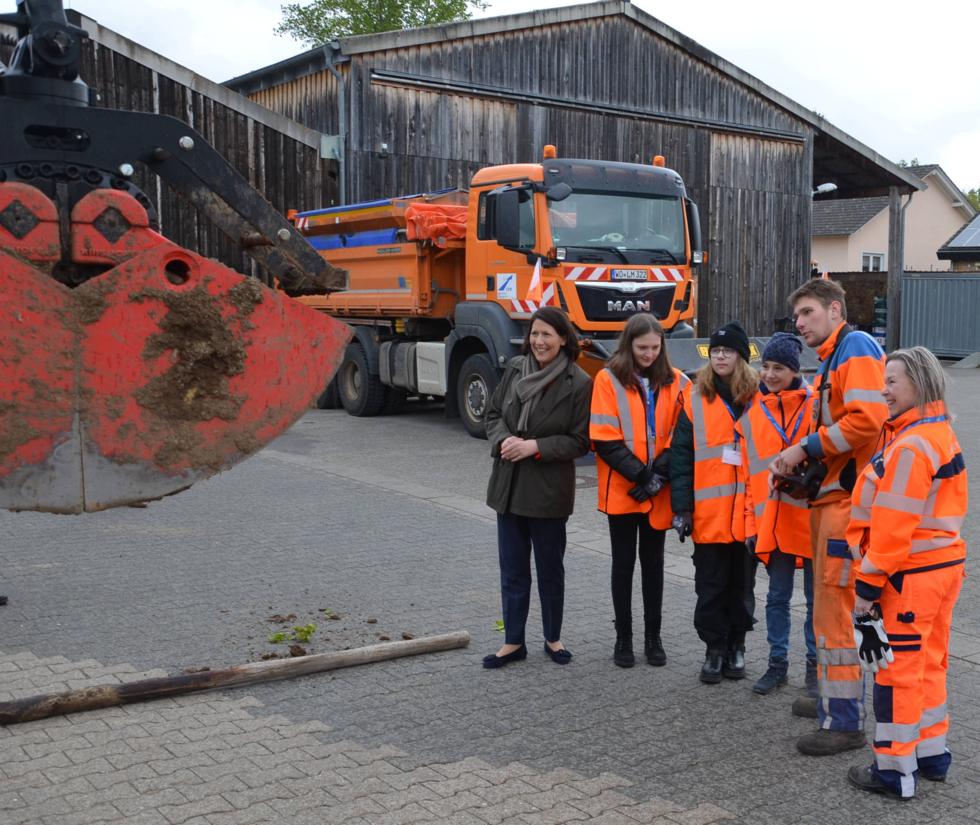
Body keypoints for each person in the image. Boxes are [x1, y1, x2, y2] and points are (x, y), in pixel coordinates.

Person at [770, 279, 887, 756]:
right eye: (796, 316)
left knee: (836, 611)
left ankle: (842, 721)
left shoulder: (853, 346)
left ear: (834, 309)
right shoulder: (833, 358)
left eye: (807, 313)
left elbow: (867, 420)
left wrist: (804, 447)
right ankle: (830, 696)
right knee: (827, 607)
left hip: (846, 507)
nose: (799, 324)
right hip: (834, 502)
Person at [845, 347, 967, 800]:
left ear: (917, 383)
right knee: (930, 665)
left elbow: (893, 529)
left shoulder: (911, 444)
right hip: (942, 568)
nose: (884, 389)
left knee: (895, 675)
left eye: (892, 381)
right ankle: (932, 756)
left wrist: (867, 586)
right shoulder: (936, 432)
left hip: (907, 577)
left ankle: (895, 773)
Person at [483, 306, 593, 668]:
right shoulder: (515, 369)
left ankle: (553, 638)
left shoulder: (579, 383)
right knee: (512, 570)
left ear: (563, 338)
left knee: (549, 570)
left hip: (547, 491)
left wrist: (536, 447)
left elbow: (580, 441)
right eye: (534, 334)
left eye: (547, 334)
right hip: (509, 486)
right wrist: (503, 442)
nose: (539, 341)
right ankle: (513, 641)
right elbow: (494, 414)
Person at [590, 314, 690, 667]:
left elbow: (683, 436)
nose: (649, 353)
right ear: (628, 345)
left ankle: (653, 637)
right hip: (624, 489)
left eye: (654, 346)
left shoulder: (678, 381)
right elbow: (604, 440)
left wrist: (656, 478)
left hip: (655, 490)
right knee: (622, 566)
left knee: (654, 564)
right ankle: (623, 639)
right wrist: (641, 477)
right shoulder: (607, 379)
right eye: (641, 347)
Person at [669, 321, 759, 683]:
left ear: (741, 356)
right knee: (710, 587)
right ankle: (714, 649)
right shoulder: (694, 398)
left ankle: (737, 646)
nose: (721, 357)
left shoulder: (759, 397)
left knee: (742, 587)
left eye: (728, 351)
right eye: (716, 351)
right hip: (708, 517)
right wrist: (682, 509)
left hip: (748, 517)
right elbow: (680, 458)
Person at [738, 333, 816, 695]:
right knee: (777, 598)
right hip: (775, 519)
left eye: (778, 368)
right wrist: (751, 525)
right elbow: (748, 478)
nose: (769, 374)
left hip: (815, 518)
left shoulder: (816, 405)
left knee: (818, 601)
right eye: (765, 366)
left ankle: (816, 669)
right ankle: (777, 665)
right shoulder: (754, 411)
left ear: (795, 370)